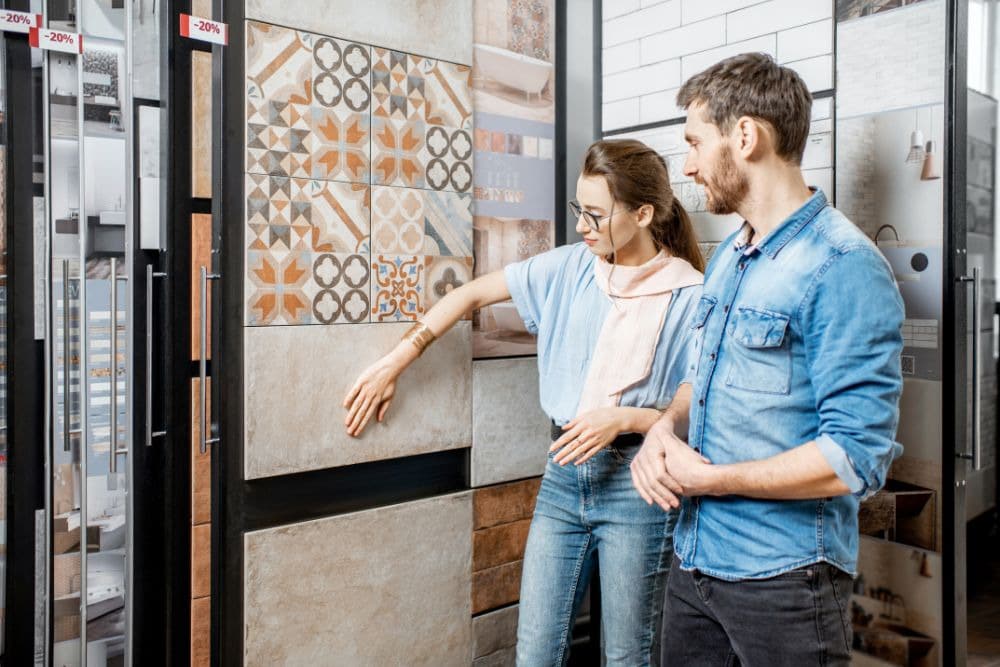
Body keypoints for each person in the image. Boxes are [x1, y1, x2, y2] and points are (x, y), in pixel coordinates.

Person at [343, 139, 704, 665]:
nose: (582, 226)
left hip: (638, 486)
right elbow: (468, 295)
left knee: (628, 656)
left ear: (644, 213)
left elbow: (697, 399)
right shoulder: (569, 269)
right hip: (563, 477)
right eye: (579, 210)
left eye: (596, 215)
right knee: (535, 652)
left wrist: (624, 417)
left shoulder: (691, 293)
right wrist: (397, 360)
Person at [629, 53, 905, 666]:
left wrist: (712, 480)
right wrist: (659, 431)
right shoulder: (729, 255)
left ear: (746, 136)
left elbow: (854, 457)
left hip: (785, 581)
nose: (689, 164)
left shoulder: (844, 267)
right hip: (695, 563)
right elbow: (699, 381)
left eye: (696, 142)